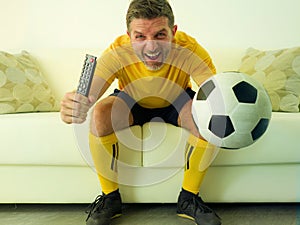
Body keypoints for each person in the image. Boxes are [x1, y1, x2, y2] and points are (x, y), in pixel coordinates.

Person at [60, 0, 221, 225]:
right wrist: (74, 105)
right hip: (131, 100)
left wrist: (223, 107)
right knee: (100, 114)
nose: (151, 47)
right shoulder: (117, 51)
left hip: (177, 99)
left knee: (209, 118)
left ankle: (189, 198)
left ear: (173, 32)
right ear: (128, 35)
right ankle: (110, 198)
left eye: (160, 35)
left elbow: (213, 93)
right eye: (140, 37)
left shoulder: (190, 49)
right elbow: (89, 95)